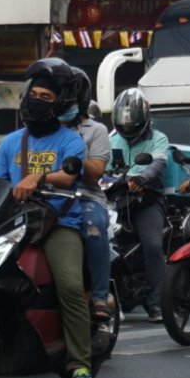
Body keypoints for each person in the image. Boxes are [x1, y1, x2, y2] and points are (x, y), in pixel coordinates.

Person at [0, 58, 98, 378]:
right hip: (14, 223)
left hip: (58, 222)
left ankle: (80, 366)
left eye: (47, 96)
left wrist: (40, 176)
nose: (37, 99)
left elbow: (70, 176)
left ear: (58, 104)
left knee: (70, 286)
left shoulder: (70, 141)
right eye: (35, 93)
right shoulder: (12, 141)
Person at [110, 87, 171, 323]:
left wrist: (141, 179)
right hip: (116, 201)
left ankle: (156, 303)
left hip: (147, 201)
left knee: (153, 245)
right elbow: (100, 166)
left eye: (132, 123)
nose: (127, 128)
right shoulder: (110, 139)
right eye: (123, 123)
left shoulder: (159, 139)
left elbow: (157, 166)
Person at [67, 71, 113, 322]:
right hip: (45, 196)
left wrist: (74, 147)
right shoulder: (39, 130)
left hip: (85, 197)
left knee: (93, 226)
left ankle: (99, 296)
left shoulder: (96, 130)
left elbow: (95, 174)